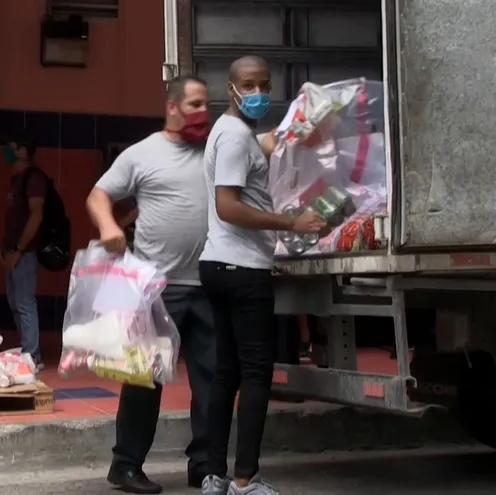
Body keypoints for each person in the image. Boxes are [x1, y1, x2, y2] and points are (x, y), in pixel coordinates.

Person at [199, 56, 326, 495]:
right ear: (231, 87)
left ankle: (214, 475)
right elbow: (228, 206)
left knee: (227, 372)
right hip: (242, 269)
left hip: (217, 264)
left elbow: (262, 148)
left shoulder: (231, 132)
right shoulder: (234, 137)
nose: (259, 93)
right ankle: (245, 479)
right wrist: (291, 223)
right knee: (255, 374)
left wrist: (297, 126)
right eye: (249, 85)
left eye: (265, 85)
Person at [86, 74, 216, 494]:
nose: (202, 112)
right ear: (172, 107)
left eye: (205, 104)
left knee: (212, 380)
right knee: (144, 379)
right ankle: (126, 465)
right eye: (194, 104)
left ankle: (206, 466)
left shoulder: (215, 151)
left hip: (209, 282)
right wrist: (108, 225)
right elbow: (98, 195)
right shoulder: (142, 154)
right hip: (156, 287)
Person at [1, 135, 46, 369]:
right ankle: (27, 350)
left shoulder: (33, 179)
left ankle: (33, 356)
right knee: (15, 304)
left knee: (25, 304)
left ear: (24, 151)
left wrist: (19, 248)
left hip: (25, 253)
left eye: (13, 145)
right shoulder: (16, 179)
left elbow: (36, 215)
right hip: (13, 251)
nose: (7, 149)